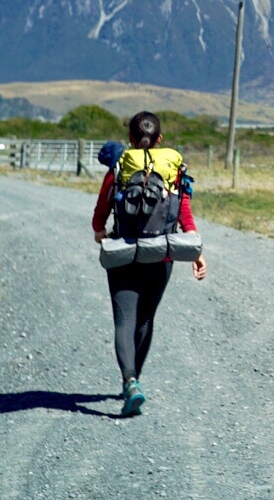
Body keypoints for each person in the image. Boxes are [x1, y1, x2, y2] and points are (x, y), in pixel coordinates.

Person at [92, 111, 206, 416]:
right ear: (160, 140)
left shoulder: (120, 166)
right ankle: (135, 379)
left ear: (130, 139)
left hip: (124, 250)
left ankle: (130, 382)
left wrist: (99, 231)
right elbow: (184, 212)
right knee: (145, 319)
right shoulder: (173, 169)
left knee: (124, 320)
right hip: (162, 253)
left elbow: (102, 207)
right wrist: (196, 252)